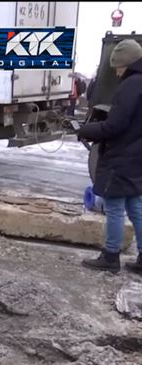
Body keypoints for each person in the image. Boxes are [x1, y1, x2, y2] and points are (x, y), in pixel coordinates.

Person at [77, 39, 142, 274]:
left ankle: (110, 256)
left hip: (121, 156)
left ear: (127, 63)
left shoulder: (130, 85)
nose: (116, 71)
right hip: (137, 156)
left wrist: (86, 130)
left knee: (114, 206)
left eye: (117, 66)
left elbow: (115, 126)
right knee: (135, 205)